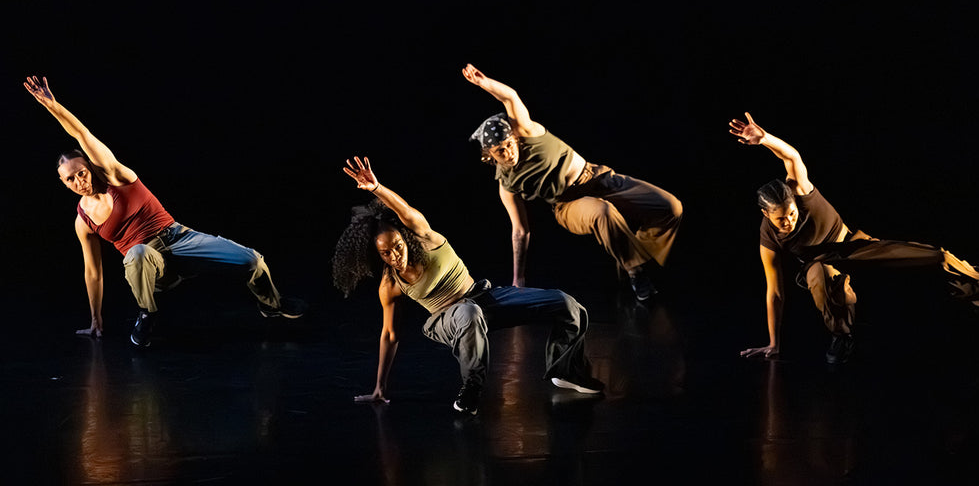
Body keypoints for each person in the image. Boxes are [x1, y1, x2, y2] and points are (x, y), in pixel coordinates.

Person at [24, 76, 306, 347]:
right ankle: (147, 315)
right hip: (153, 267)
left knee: (252, 261)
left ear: (89, 166)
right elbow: (93, 272)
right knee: (136, 253)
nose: (79, 182)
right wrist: (96, 318)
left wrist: (52, 106)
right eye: (70, 180)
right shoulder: (82, 221)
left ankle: (272, 305)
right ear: (63, 183)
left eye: (81, 173)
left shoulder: (116, 176)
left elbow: (82, 134)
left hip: (180, 239)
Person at [333, 156, 603, 415]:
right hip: (447, 319)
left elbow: (403, 210)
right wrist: (380, 387)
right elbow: (389, 334)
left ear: (405, 237)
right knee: (468, 314)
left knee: (565, 303)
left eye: (398, 246)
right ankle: (471, 388)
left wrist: (377, 188)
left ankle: (565, 370)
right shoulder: (390, 285)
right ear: (376, 255)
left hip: (482, 299)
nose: (395, 255)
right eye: (386, 253)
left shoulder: (426, 237)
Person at [728, 112, 979, 364]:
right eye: (781, 219)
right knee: (819, 275)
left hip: (853, 245)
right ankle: (842, 336)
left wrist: (765, 140)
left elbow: (792, 157)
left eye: (792, 214)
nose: (789, 221)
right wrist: (774, 343)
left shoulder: (800, 190)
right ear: (765, 214)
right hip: (821, 263)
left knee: (935, 256)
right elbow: (774, 291)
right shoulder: (768, 235)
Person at [462, 63, 683, 301]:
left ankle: (627, 253)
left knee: (670, 208)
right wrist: (519, 279)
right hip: (568, 205)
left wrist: (483, 83)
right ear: (490, 156)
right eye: (500, 151)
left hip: (598, 177)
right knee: (603, 211)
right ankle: (634, 270)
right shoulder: (507, 185)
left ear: (514, 136)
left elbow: (510, 97)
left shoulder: (527, 131)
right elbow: (520, 232)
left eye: (509, 144)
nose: (508, 152)